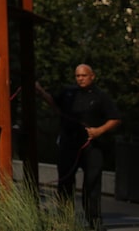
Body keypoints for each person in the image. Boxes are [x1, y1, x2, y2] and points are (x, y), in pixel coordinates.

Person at [36, 64, 121, 230]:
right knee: (65, 183)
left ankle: (94, 221)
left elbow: (115, 118)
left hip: (92, 146)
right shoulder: (68, 93)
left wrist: (99, 131)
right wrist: (39, 91)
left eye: (83, 75)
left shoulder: (100, 97)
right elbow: (54, 103)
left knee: (92, 184)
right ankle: (64, 219)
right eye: (77, 76)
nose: (80, 78)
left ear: (92, 76)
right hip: (69, 144)